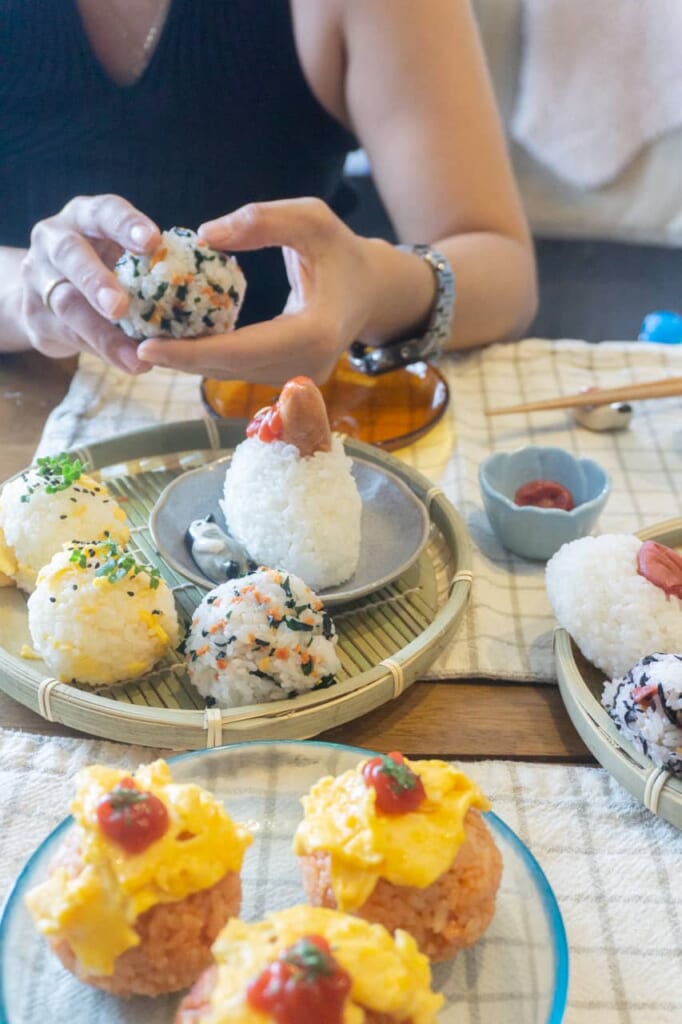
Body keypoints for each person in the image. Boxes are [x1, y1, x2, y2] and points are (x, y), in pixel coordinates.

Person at [0, 0, 537, 385]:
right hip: (33, 411)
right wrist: (28, 291)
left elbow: (504, 277)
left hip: (295, 411)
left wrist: (373, 286)